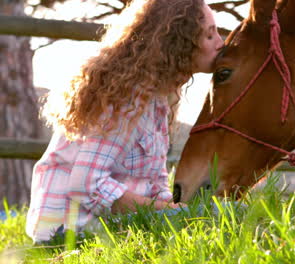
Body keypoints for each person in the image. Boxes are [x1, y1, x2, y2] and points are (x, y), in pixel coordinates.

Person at [26, 0, 224, 243]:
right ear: (180, 42)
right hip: (67, 232)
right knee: (214, 217)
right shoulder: (127, 100)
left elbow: (155, 181)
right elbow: (86, 183)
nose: (220, 43)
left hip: (106, 226)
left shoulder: (158, 99)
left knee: (215, 216)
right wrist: (169, 213)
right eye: (209, 35)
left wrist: (175, 210)